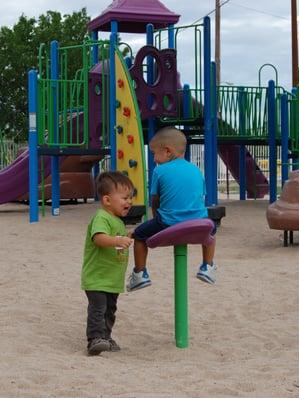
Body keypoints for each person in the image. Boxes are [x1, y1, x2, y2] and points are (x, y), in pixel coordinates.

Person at [127, 127, 217, 292]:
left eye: (154, 153)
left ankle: (140, 274)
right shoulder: (196, 170)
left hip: (168, 223)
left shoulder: (159, 171)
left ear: (167, 151)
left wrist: (155, 219)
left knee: (139, 236)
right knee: (211, 234)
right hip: (200, 224)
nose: (154, 159)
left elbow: (155, 200)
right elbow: (199, 197)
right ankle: (207, 266)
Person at [81, 171, 134, 356]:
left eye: (131, 197)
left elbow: (117, 243)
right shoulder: (101, 217)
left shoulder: (117, 220)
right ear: (107, 200)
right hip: (97, 277)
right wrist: (118, 241)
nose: (129, 202)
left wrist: (126, 238)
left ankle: (106, 336)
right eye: (125, 197)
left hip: (111, 279)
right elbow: (99, 238)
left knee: (110, 310)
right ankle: (95, 339)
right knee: (98, 309)